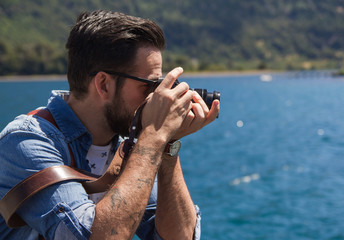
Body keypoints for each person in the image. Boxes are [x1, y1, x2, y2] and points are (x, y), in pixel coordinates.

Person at [0, 10, 220, 240]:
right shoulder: (25, 142)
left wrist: (168, 144)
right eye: (150, 85)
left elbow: (179, 237)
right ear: (104, 85)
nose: (157, 97)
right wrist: (155, 136)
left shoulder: (131, 147)